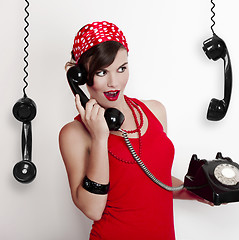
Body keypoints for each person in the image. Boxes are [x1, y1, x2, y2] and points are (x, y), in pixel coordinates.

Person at [59, 21, 209, 240]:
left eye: (122, 68)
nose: (114, 82)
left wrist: (198, 191)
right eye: (102, 72)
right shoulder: (73, 134)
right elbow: (93, 209)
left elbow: (153, 180)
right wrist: (100, 138)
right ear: (80, 77)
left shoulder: (154, 111)